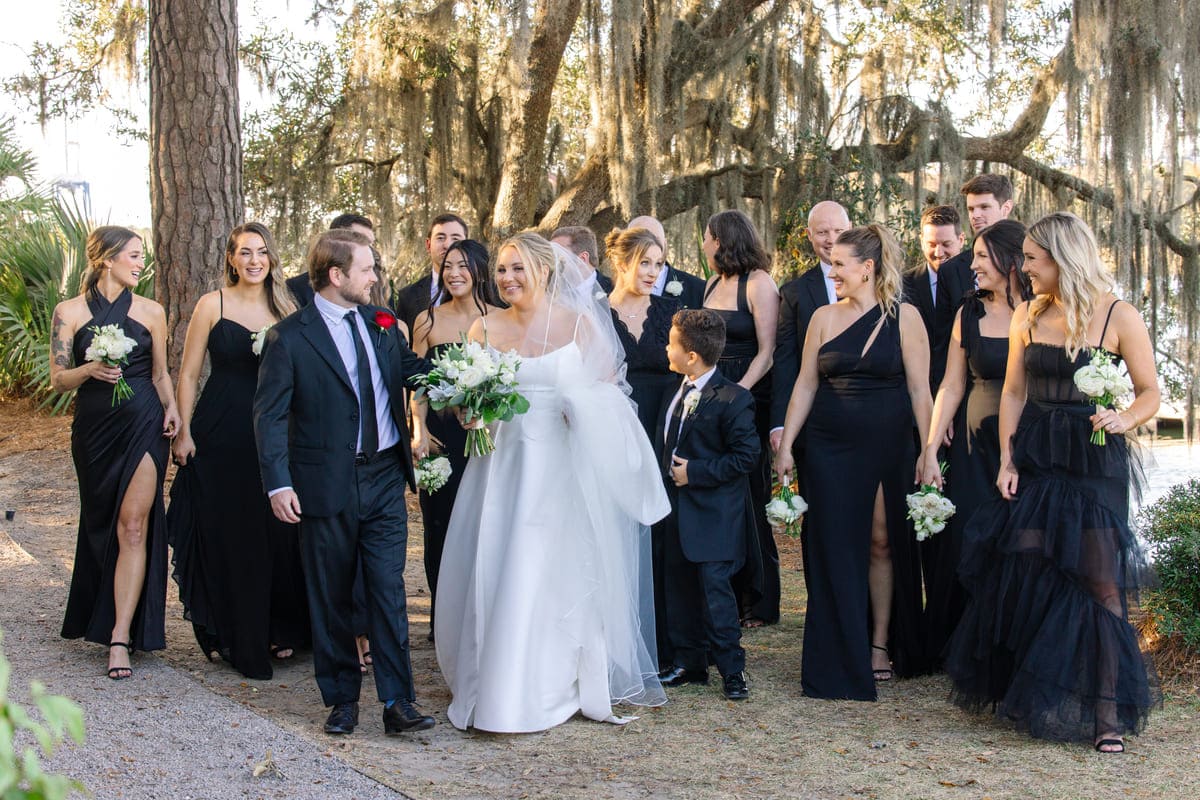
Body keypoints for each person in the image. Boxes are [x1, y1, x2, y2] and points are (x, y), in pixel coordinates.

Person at [435, 232, 669, 733]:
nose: (508, 278)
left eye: (517, 268)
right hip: (498, 468)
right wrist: (468, 413)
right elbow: (462, 401)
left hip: (557, 470)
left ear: (543, 271)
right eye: (501, 269)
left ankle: (546, 684)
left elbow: (612, 397)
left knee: (545, 569)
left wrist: (577, 409)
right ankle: (492, 679)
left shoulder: (578, 325)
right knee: (496, 563)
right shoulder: (483, 328)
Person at [944, 212, 1161, 753]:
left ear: (1062, 260)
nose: (1026, 269)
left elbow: (1150, 391)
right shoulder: (1027, 314)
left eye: (1035, 260)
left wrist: (1124, 418)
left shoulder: (1119, 315)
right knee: (1031, 566)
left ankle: (1107, 713)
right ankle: (1037, 694)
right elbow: (1014, 392)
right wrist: (1008, 460)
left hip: (1094, 463)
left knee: (1101, 584)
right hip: (1037, 455)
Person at [253, 228, 436, 736]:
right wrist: (278, 484)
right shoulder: (289, 337)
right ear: (336, 276)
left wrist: (471, 380)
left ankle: (398, 702)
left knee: (387, 590)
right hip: (322, 483)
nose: (375, 277)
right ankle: (341, 700)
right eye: (367, 269)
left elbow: (413, 371)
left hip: (384, 478)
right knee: (330, 594)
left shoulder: (381, 326)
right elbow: (268, 417)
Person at [774, 224, 932, 700]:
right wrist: (786, 445)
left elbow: (921, 390)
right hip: (827, 446)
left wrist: (928, 452)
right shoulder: (822, 316)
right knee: (834, 546)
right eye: (832, 264)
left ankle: (879, 643)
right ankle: (835, 655)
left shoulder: (906, 318)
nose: (833, 271)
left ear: (868, 268)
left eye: (841, 264)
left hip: (888, 445)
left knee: (881, 542)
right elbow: (804, 384)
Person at [167, 222, 310, 680]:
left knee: (279, 532)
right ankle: (237, 633)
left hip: (277, 433)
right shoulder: (213, 304)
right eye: (244, 253)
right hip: (222, 429)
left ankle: (279, 627)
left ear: (271, 257)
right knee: (233, 531)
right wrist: (184, 432)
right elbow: (188, 374)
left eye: (262, 252)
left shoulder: (287, 305)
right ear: (230, 258)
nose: (254, 261)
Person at [51, 226, 181, 679]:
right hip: (93, 430)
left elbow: (162, 374)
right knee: (101, 522)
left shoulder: (152, 311)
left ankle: (121, 636)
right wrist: (90, 367)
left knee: (133, 526)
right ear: (106, 259)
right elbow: (58, 379)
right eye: (133, 255)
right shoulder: (67, 312)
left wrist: (174, 413)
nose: (140, 263)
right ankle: (97, 609)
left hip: (144, 423)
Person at [918, 219, 1031, 666]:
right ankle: (964, 649)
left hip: (1025, 442)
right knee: (966, 538)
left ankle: (1013, 646)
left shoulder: (1041, 309)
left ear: (1009, 261)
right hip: (970, 442)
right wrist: (929, 448)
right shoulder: (970, 312)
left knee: (1018, 539)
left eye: (982, 257)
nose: (973, 266)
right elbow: (950, 383)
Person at [656, 309, 759, 701]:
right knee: (678, 587)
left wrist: (695, 472)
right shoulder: (675, 390)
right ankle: (689, 662)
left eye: (671, 343)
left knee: (716, 595)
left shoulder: (734, 399)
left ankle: (733, 670)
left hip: (714, 516)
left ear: (692, 356)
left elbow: (746, 457)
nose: (666, 348)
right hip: (676, 512)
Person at [410, 239, 501, 642]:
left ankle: (482, 617)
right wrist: (418, 429)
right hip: (441, 439)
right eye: (448, 265)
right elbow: (415, 383)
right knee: (439, 527)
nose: (454, 273)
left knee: (484, 524)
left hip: (487, 438)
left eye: (463, 265)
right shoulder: (427, 321)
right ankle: (443, 621)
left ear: (480, 270)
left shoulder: (501, 318)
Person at [605, 225, 683, 665]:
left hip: (662, 429)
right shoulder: (596, 313)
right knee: (620, 530)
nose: (654, 272)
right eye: (645, 263)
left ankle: (666, 644)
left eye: (658, 263)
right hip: (616, 430)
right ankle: (621, 641)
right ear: (621, 264)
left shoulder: (671, 311)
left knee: (662, 530)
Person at [701, 209, 780, 628]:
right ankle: (725, 592)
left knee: (750, 494)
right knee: (720, 495)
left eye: (708, 237)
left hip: (747, 394)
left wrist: (737, 394)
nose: (704, 245)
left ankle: (759, 599)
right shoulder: (713, 282)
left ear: (724, 239)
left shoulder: (759, 283)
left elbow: (768, 352)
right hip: (713, 392)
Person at [903, 204, 971, 394]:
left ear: (961, 239)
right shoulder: (903, 285)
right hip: (917, 393)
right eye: (932, 244)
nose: (939, 253)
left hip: (966, 392)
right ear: (921, 241)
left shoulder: (977, 282)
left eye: (946, 244)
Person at [393, 213, 469, 334]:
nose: (447, 245)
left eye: (455, 238)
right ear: (428, 245)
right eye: (440, 238)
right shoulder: (408, 296)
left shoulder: (487, 291)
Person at [288, 213, 377, 308]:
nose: (369, 249)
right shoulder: (295, 288)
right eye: (359, 239)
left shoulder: (380, 285)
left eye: (371, 243)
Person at [628, 215, 707, 308]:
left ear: (665, 243)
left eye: (655, 239)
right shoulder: (612, 290)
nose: (650, 246)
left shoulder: (698, 289)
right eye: (641, 240)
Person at [551, 225, 614, 293]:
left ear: (582, 259)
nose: (552, 260)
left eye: (558, 254)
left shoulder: (613, 291)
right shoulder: (551, 291)